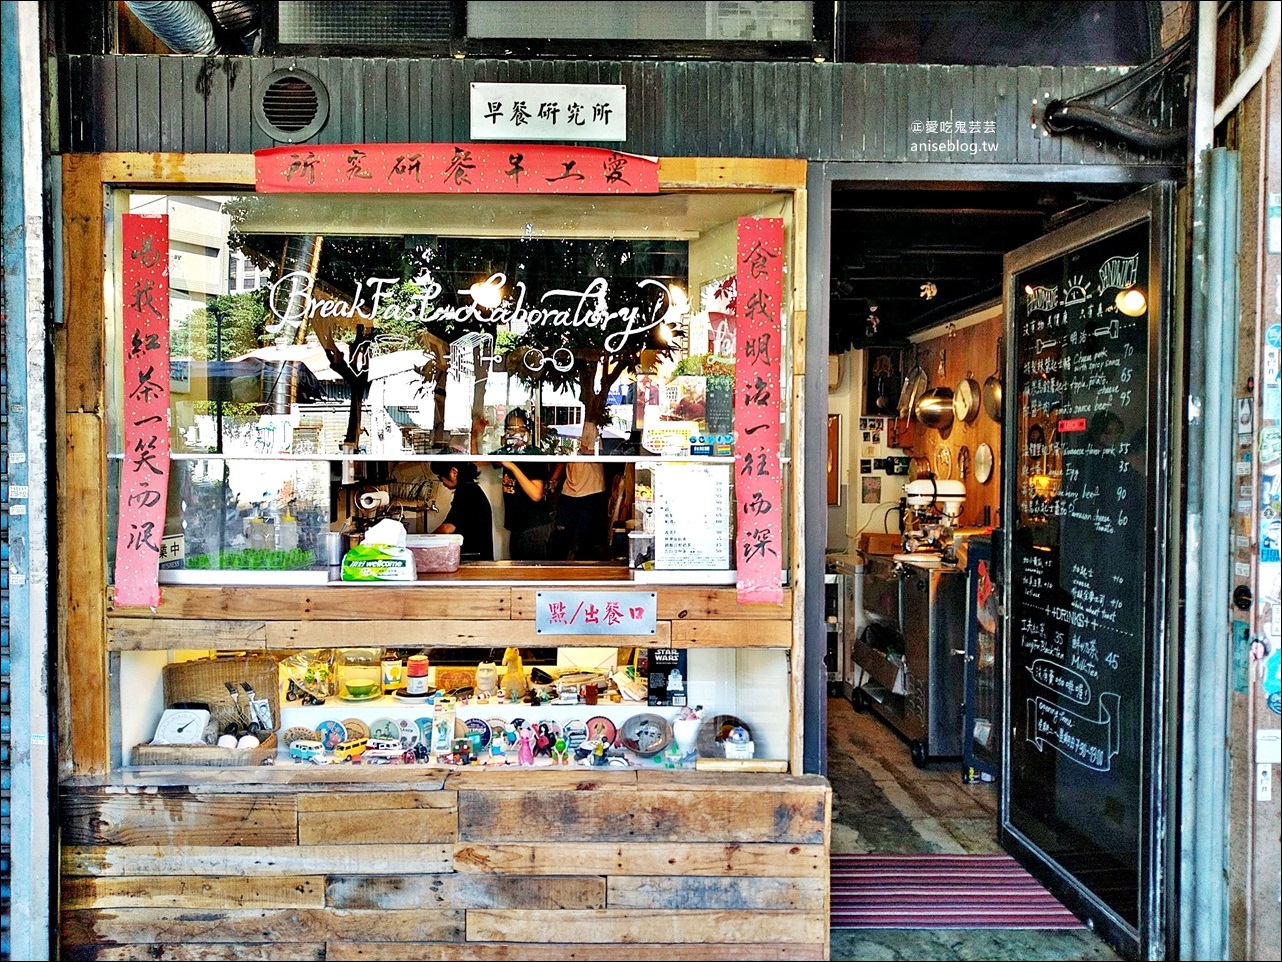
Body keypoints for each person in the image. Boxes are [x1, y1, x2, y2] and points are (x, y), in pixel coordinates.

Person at [496, 408, 554, 560]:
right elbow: (478, 461)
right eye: (511, 429)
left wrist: (512, 466)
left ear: (528, 432)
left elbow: (536, 494)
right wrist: (476, 433)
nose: (516, 434)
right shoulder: (507, 452)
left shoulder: (534, 454)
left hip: (534, 525)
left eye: (521, 429)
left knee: (530, 576)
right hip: (517, 525)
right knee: (516, 570)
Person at [548, 420, 607, 561]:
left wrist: (581, 450)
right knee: (562, 533)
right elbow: (563, 459)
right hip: (570, 488)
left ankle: (585, 571)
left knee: (586, 536)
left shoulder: (590, 426)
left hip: (591, 488)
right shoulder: (567, 429)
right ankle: (560, 568)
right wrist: (553, 479)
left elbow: (599, 453)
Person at [429, 461, 494, 561]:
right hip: (479, 555)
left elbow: (448, 528)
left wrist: (428, 539)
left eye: (441, 478)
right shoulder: (472, 489)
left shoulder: (466, 492)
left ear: (454, 472)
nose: (443, 483)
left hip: (473, 558)